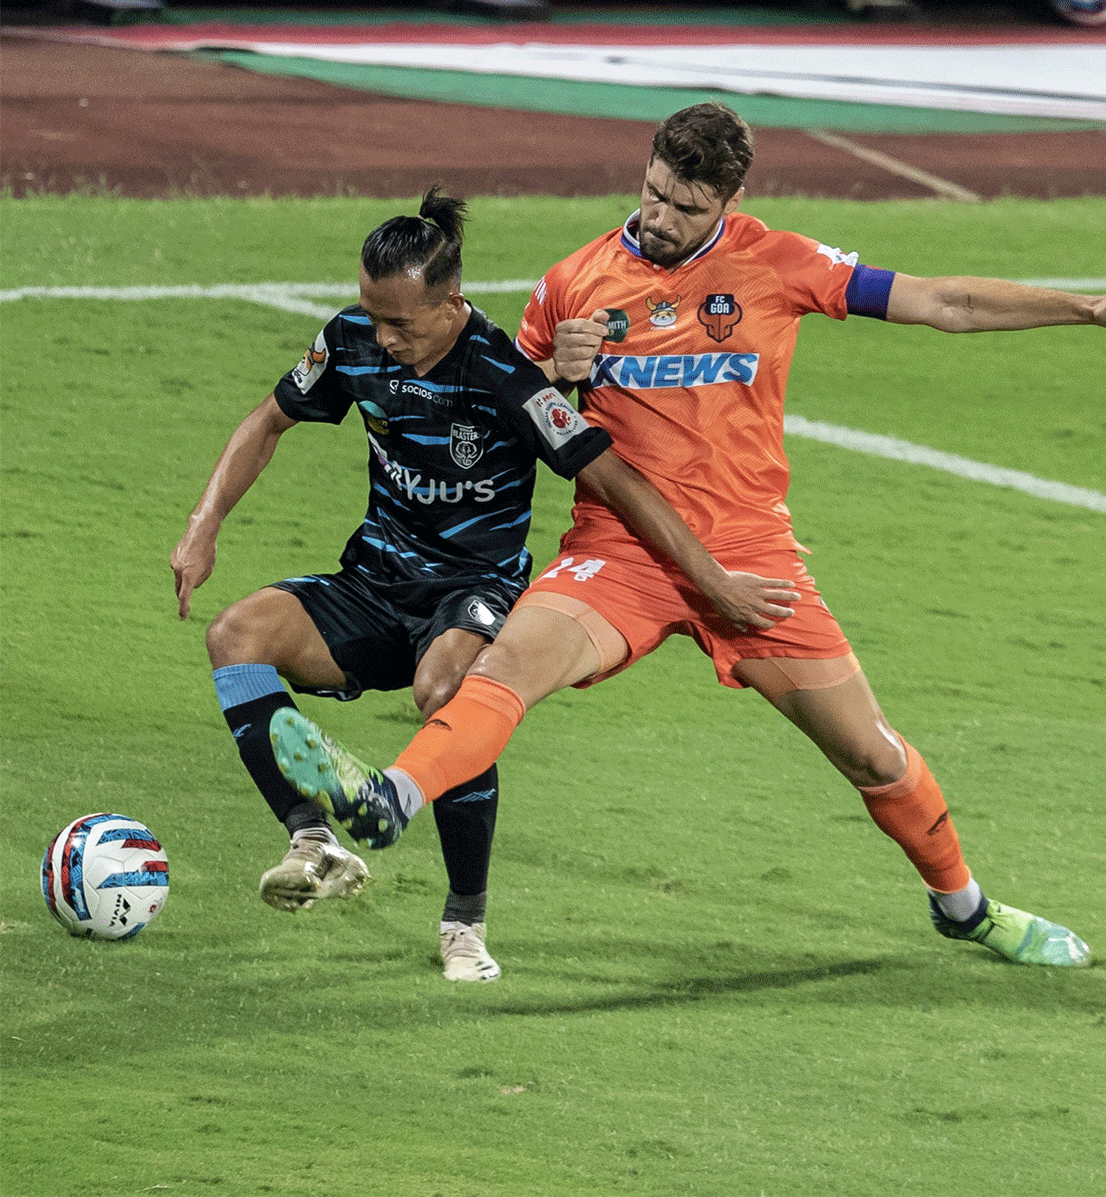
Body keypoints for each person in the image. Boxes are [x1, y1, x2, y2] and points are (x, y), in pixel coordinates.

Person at [268, 104, 1106, 969]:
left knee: (871, 753)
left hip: (753, 562)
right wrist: (556, 365)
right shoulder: (571, 281)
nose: (660, 216)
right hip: (622, 549)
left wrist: (1085, 306)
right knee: (503, 671)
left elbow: (942, 302)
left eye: (686, 205)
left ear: (731, 202)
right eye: (654, 192)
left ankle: (966, 908)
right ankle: (389, 798)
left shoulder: (781, 263)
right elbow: (511, 415)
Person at [171, 182, 789, 982]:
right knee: (236, 637)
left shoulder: (502, 374)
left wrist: (710, 580)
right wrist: (203, 524)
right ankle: (314, 842)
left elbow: (615, 478)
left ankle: (464, 922)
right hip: (376, 583)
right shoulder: (352, 341)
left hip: (473, 589)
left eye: (399, 320)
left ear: (450, 300)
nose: (380, 334)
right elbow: (269, 420)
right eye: (370, 311)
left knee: (445, 688)